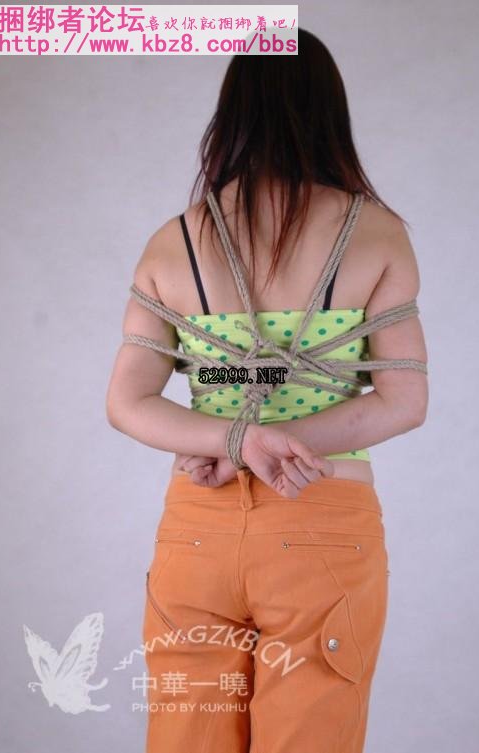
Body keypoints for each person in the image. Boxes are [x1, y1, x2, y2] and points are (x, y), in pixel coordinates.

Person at [106, 28, 428, 753]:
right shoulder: (377, 235)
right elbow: (404, 401)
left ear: (232, 115)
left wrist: (237, 442)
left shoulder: (172, 241)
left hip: (197, 527)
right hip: (323, 519)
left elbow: (126, 402)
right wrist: (265, 444)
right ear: (328, 112)